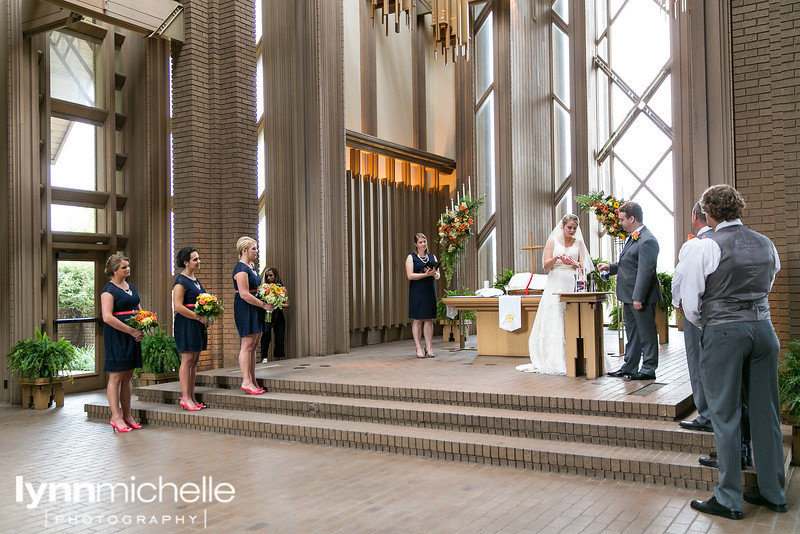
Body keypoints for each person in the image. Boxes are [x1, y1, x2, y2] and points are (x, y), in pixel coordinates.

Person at [679, 185, 785, 520]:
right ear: (738, 209)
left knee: (725, 415)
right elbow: (768, 282)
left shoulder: (704, 246)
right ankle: (774, 493)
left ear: (708, 213)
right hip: (764, 331)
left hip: (725, 332)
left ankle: (728, 498)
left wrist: (714, 322)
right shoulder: (765, 243)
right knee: (767, 413)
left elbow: (691, 305)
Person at [516, 214, 595, 375]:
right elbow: (545, 265)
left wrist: (573, 263)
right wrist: (557, 257)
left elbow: (582, 265)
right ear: (563, 226)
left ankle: (576, 355)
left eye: (574, 228)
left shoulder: (579, 243)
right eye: (569, 228)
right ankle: (554, 357)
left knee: (571, 316)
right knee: (555, 316)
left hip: (571, 281)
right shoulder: (552, 241)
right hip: (555, 281)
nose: (572, 230)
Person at [598, 201, 662, 380]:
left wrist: (638, 297)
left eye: (622, 219)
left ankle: (648, 368)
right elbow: (628, 264)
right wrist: (610, 267)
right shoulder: (633, 237)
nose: (620, 223)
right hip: (628, 295)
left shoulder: (647, 240)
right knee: (632, 333)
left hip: (641, 297)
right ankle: (630, 366)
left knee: (647, 333)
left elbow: (645, 271)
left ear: (632, 218)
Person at [673, 203, 713, 432]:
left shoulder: (694, 245)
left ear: (695, 215)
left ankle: (705, 415)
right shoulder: (725, 240)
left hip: (699, 314)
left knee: (698, 364)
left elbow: (680, 279)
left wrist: (679, 303)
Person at [100, 254, 145, 433]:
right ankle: (116, 417)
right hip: (117, 335)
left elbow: (138, 309)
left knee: (128, 376)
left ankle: (127, 415)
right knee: (116, 376)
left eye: (128, 266)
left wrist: (143, 324)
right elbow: (107, 317)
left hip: (133, 334)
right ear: (114, 270)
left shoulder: (131, 287)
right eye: (124, 267)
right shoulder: (108, 290)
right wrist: (130, 330)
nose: (128, 269)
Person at [233, 236, 273, 395]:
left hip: (256, 306)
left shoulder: (252, 267)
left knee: (254, 345)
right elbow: (244, 294)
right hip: (246, 308)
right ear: (244, 250)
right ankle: (246, 381)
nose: (256, 251)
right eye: (253, 249)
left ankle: (253, 378)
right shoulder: (241, 269)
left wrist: (269, 296)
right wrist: (264, 304)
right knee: (247, 345)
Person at [173, 247, 209, 410]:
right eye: (195, 259)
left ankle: (192, 397)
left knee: (194, 361)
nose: (198, 261)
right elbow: (178, 306)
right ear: (186, 262)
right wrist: (198, 316)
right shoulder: (181, 281)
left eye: (198, 258)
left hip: (197, 323)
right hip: (186, 322)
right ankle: (185, 397)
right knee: (187, 360)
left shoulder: (195, 280)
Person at [405, 233, 440, 358]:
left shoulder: (432, 256)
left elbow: (438, 276)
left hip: (429, 290)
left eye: (424, 241)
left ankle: (429, 347)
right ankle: (418, 347)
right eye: (420, 242)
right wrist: (425, 275)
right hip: (417, 291)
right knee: (418, 319)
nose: (423, 244)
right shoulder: (411, 257)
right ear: (416, 244)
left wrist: (433, 273)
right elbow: (410, 275)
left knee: (429, 319)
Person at [260, 267, 289, 361]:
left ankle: (278, 360)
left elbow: (288, 304)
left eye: (271, 275)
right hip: (266, 316)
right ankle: (264, 359)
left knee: (279, 339)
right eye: (267, 276)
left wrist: (278, 303)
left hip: (278, 316)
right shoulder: (263, 288)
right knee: (265, 338)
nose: (269, 277)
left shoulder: (282, 288)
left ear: (276, 276)